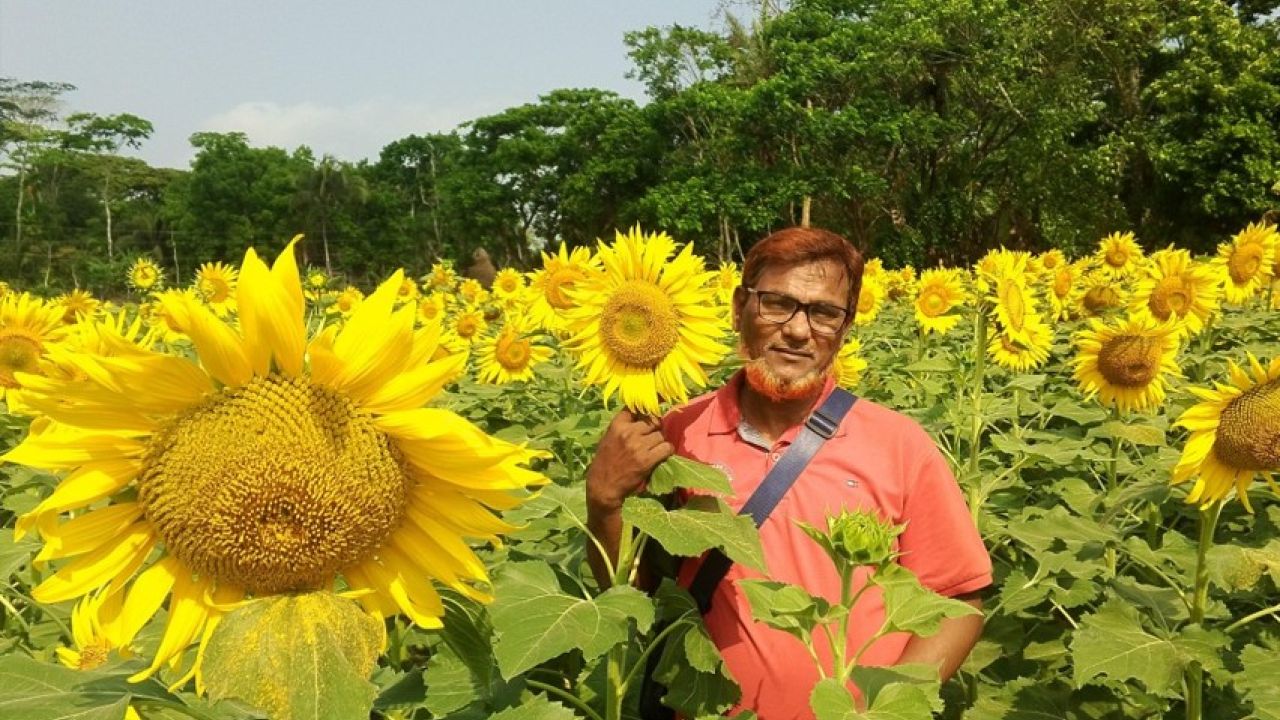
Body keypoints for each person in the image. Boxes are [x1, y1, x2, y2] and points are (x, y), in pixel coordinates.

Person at [585, 227, 991, 719]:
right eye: (777, 303)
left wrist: (890, 708)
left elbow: (958, 598)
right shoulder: (676, 435)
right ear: (740, 308)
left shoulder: (900, 446)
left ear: (845, 328)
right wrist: (604, 501)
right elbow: (632, 595)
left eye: (824, 312)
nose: (799, 330)